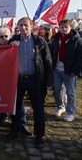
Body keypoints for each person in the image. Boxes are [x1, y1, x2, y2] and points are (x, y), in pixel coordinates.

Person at [6, 17, 53, 149]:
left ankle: (39, 137)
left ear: (32, 27)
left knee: (38, 109)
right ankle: (15, 131)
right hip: (18, 79)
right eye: (20, 25)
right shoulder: (13, 40)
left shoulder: (40, 41)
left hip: (35, 79)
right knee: (15, 108)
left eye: (26, 25)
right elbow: (5, 58)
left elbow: (48, 62)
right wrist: (10, 47)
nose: (23, 28)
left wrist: (49, 81)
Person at [50, 19, 82, 122]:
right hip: (57, 69)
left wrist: (75, 70)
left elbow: (80, 57)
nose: (64, 29)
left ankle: (70, 112)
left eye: (66, 27)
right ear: (59, 28)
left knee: (71, 92)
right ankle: (60, 106)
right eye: (62, 27)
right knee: (56, 90)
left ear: (70, 28)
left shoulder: (77, 40)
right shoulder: (55, 38)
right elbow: (52, 53)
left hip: (70, 71)